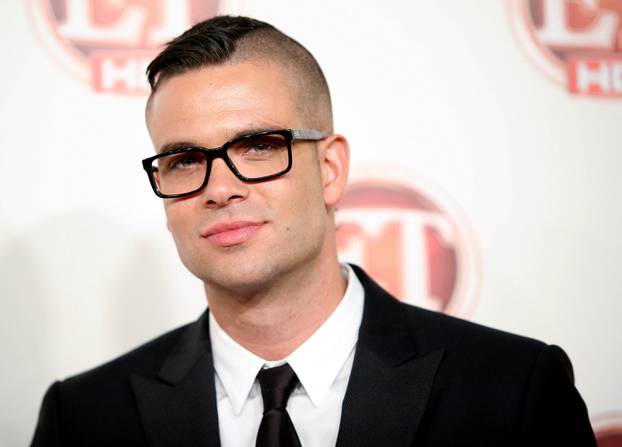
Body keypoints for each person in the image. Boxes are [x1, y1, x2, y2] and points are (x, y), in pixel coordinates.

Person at [31, 15, 596, 447]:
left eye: (258, 147)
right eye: (182, 159)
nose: (219, 188)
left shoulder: (512, 390)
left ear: (330, 171)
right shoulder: (83, 417)